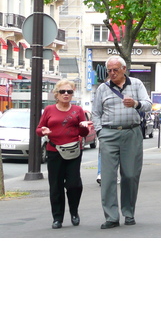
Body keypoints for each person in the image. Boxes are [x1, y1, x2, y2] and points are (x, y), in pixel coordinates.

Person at [91, 55, 152, 229]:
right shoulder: (102, 88)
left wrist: (136, 103)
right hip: (109, 134)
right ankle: (111, 216)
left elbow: (148, 104)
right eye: (109, 70)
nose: (112, 73)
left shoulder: (136, 84)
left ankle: (129, 212)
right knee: (108, 178)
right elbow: (96, 113)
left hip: (131, 132)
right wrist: (100, 132)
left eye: (115, 70)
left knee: (130, 175)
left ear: (124, 69)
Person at [36, 80, 91, 229]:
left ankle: (74, 212)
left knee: (74, 184)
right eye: (63, 92)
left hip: (73, 151)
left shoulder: (78, 110)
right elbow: (39, 129)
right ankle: (57, 218)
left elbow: (84, 133)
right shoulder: (49, 110)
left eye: (69, 92)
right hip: (54, 151)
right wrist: (44, 131)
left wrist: (83, 127)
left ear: (73, 94)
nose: (66, 94)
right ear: (57, 94)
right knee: (56, 186)